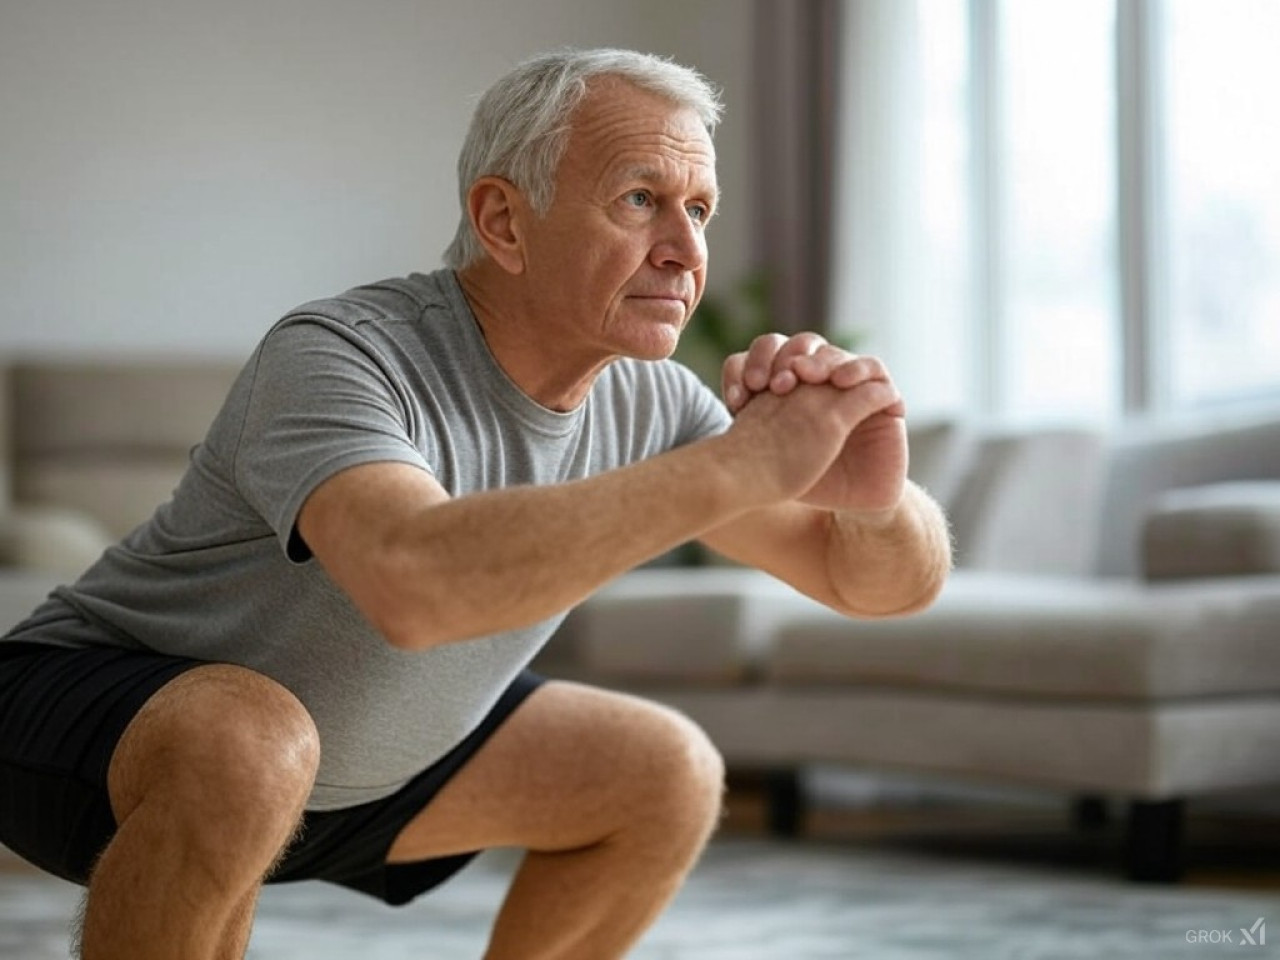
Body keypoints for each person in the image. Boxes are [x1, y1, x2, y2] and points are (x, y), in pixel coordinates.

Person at [0, 47, 951, 960]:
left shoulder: (652, 400)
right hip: (83, 722)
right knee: (250, 741)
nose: (686, 250)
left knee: (662, 771)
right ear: (502, 221)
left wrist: (871, 499)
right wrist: (745, 465)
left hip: (356, 771)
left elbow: (874, 586)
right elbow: (414, 586)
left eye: (699, 209)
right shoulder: (342, 353)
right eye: (641, 200)